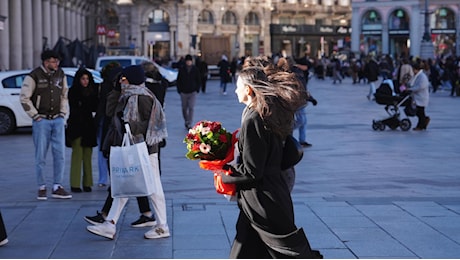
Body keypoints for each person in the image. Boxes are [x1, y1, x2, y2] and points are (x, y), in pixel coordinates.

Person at [220, 63, 322, 258]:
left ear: (248, 90)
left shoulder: (254, 119)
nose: (235, 90)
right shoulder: (268, 112)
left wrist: (224, 175)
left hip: (263, 200)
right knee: (249, 250)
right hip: (269, 197)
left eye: (238, 86)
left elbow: (252, 171)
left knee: (285, 253)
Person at [86, 65, 169, 240]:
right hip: (133, 148)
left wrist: (130, 127)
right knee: (124, 186)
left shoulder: (143, 97)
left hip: (145, 149)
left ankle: (162, 226)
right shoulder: (127, 95)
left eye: (123, 78)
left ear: (131, 79)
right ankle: (110, 224)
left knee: (153, 188)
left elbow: (154, 124)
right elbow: (110, 111)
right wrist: (116, 90)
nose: (121, 81)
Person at [20, 50, 72, 200]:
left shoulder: (60, 74)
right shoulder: (34, 75)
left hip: (57, 119)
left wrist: (63, 113)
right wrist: (34, 115)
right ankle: (41, 186)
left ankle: (57, 186)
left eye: (57, 61)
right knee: (40, 155)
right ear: (45, 62)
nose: (56, 64)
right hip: (41, 120)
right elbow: (24, 98)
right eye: (53, 61)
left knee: (60, 154)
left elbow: (64, 94)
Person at [66, 68, 98, 192]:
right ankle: (75, 183)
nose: (85, 81)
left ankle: (87, 183)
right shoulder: (73, 91)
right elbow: (75, 108)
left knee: (88, 156)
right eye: (83, 79)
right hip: (76, 126)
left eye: (87, 79)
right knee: (77, 155)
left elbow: (94, 106)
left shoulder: (93, 91)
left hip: (89, 127)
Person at [96, 62, 122, 187]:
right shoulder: (120, 87)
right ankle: (116, 178)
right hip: (116, 122)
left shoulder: (103, 86)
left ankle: (102, 179)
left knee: (103, 150)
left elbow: (100, 105)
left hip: (105, 121)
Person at [142, 61, 168, 175]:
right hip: (158, 120)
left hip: (146, 120)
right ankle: (157, 173)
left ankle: (149, 175)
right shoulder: (161, 83)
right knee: (156, 151)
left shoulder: (145, 86)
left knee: (145, 151)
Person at [176, 54, 201, 129]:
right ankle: (186, 120)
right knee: (184, 108)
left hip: (192, 91)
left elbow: (198, 79)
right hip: (183, 92)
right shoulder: (182, 69)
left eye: (190, 61)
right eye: (187, 61)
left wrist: (197, 89)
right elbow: (178, 80)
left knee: (191, 107)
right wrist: (179, 90)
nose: (188, 62)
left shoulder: (195, 69)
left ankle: (190, 122)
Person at [408, 59, 430, 131]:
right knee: (420, 112)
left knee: (420, 112)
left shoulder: (422, 76)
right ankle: (424, 122)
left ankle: (420, 125)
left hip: (421, 97)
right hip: (418, 97)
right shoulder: (418, 76)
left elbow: (420, 86)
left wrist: (411, 89)